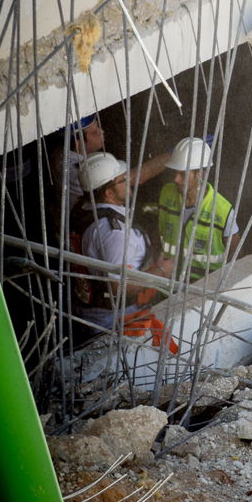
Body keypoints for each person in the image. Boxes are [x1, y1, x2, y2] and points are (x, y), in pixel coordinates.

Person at [75, 152, 177, 350]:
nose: (129, 181)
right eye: (123, 180)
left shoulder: (84, 209)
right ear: (109, 193)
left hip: (92, 311)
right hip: (116, 318)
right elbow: (118, 286)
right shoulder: (114, 234)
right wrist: (162, 271)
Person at [157, 137, 238, 281]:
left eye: (182, 174)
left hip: (202, 293)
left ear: (200, 173)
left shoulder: (222, 210)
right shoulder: (166, 193)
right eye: (175, 172)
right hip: (166, 288)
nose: (176, 179)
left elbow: (235, 254)